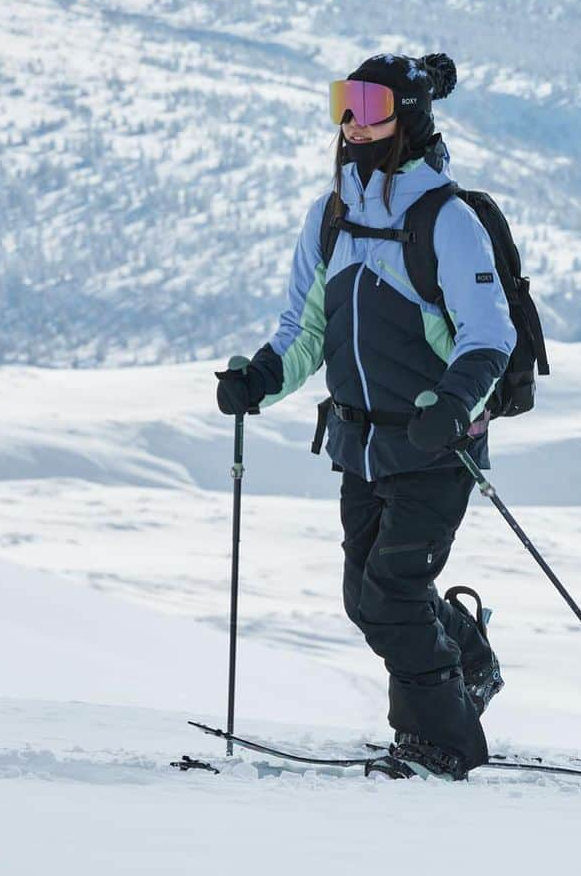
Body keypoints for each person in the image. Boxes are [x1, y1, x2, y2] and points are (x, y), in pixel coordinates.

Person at [215, 52, 516, 781]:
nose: (352, 122)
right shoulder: (332, 215)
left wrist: (452, 409)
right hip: (358, 442)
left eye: (372, 106)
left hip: (435, 445)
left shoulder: (447, 220)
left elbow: (490, 335)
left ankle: (442, 742)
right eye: (343, 102)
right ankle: (467, 659)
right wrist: (260, 378)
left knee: (392, 597)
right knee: (366, 598)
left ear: (407, 119)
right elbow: (305, 329)